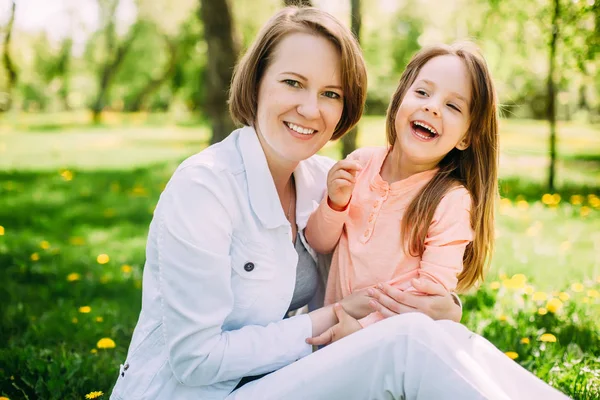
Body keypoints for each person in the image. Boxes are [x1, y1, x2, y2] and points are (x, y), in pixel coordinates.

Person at [110, 6, 569, 400]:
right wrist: (331, 321)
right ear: (257, 82)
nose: (311, 109)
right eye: (293, 82)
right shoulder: (204, 188)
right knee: (406, 341)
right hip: (199, 392)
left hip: (274, 379)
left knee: (427, 335)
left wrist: (445, 309)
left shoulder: (320, 179)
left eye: (330, 94)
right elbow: (195, 361)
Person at [304, 42, 497, 343]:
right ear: (399, 101)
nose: (432, 106)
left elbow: (429, 299)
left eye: (453, 106)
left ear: (466, 138)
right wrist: (334, 203)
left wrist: (362, 332)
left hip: (391, 342)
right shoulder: (360, 164)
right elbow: (318, 243)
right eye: (422, 92)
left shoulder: (450, 202)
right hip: (332, 330)